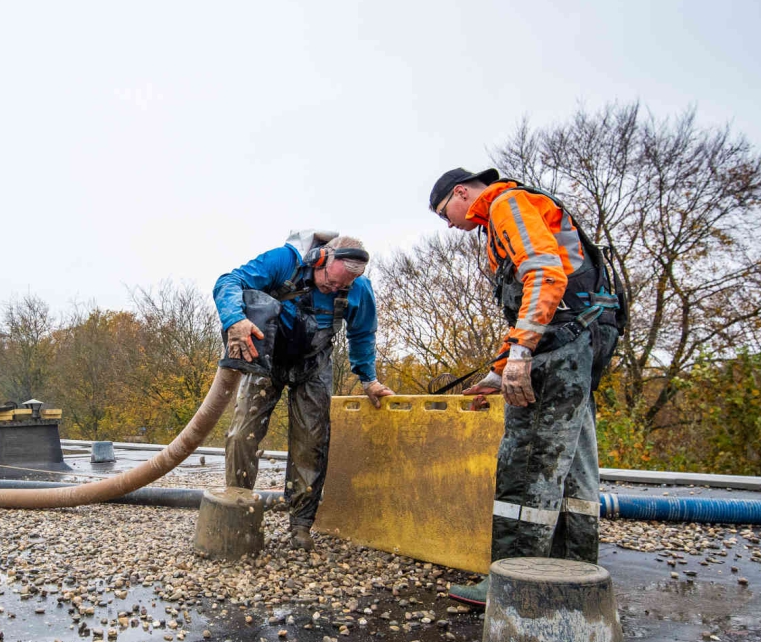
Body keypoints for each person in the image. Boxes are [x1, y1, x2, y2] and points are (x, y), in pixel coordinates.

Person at [427, 168, 622, 606]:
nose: (451, 224)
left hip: (561, 341)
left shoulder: (505, 205)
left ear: (461, 193)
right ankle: (574, 575)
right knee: (572, 459)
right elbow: (539, 300)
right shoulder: (525, 207)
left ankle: (515, 581)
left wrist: (521, 355)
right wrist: (500, 369)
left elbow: (544, 273)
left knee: (527, 457)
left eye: (445, 214)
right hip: (585, 336)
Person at [214, 230, 395, 551]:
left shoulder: (359, 291)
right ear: (319, 260)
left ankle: (300, 524)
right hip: (266, 356)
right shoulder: (285, 261)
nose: (335, 288)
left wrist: (369, 379)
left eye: (343, 287)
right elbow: (228, 281)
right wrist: (235, 319)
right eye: (331, 281)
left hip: (314, 363)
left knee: (312, 441)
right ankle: (236, 508)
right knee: (243, 432)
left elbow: (362, 334)